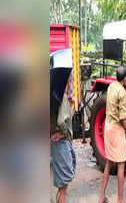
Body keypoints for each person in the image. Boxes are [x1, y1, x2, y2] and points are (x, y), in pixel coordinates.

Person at [99, 66, 126, 203]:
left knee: (109, 162)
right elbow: (123, 119)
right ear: (125, 78)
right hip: (116, 130)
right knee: (121, 165)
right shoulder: (123, 93)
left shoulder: (111, 86)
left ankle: (102, 196)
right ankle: (120, 200)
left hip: (107, 127)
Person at [50, 73, 76, 203]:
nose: (72, 84)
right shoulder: (62, 97)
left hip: (54, 142)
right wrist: (64, 133)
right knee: (64, 187)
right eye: (71, 82)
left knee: (61, 185)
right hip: (61, 142)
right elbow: (62, 121)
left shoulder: (52, 96)